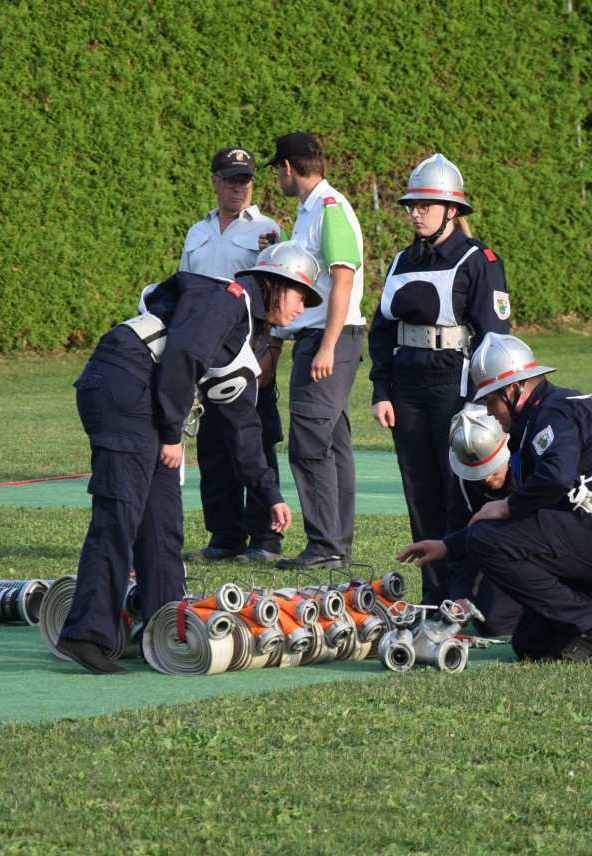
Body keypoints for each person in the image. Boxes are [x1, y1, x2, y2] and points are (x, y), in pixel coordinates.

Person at [56, 242, 321, 674]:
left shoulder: (251, 330)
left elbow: (243, 424)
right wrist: (170, 431)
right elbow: (183, 355)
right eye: (300, 297)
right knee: (120, 513)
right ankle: (86, 634)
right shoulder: (229, 301)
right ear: (277, 284)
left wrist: (268, 495)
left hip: (148, 396)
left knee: (162, 521)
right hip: (124, 384)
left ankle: (164, 628)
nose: (302, 308)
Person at [397, 334, 592, 662]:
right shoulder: (545, 417)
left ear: (514, 389)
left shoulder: (551, 412)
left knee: (486, 538)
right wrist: (447, 546)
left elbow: (557, 475)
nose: (488, 410)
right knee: (531, 641)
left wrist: (506, 505)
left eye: (490, 399)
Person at [368, 153, 510, 606]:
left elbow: (495, 337)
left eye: (426, 204)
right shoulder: (401, 259)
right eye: (412, 204)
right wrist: (382, 389)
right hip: (407, 383)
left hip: (455, 383)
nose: (416, 212)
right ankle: (433, 596)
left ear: (452, 210)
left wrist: (480, 402)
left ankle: (465, 592)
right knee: (419, 489)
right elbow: (381, 330)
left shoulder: (478, 258)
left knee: (459, 490)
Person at [179, 146, 289, 564]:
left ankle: (266, 539)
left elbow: (279, 296)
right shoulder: (197, 232)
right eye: (230, 180)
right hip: (205, 350)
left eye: (245, 181)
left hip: (251, 349)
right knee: (213, 446)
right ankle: (225, 537)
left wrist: (272, 352)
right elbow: (186, 289)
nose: (238, 188)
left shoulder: (268, 229)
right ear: (214, 181)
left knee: (256, 441)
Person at [264, 132, 365, 570]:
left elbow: (343, 277)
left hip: (329, 339)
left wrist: (325, 344)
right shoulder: (311, 212)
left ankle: (325, 546)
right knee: (332, 442)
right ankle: (335, 545)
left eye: (277, 169)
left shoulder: (329, 208)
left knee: (309, 442)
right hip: (324, 338)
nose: (277, 177)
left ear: (288, 167)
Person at [444, 404, 523, 636]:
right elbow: (459, 540)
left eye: (493, 467)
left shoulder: (529, 468)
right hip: (502, 553)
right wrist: (459, 598)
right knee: (490, 621)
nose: (487, 478)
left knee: (500, 620)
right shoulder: (462, 480)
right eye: (478, 471)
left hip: (541, 551)